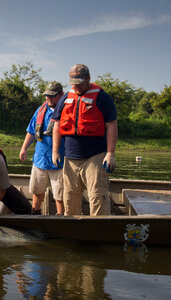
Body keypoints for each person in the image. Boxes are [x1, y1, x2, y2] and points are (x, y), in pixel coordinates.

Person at [52, 64, 118, 216]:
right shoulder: (66, 98)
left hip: (95, 157)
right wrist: (55, 151)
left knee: (97, 196)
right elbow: (56, 125)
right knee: (69, 198)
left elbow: (112, 125)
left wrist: (110, 153)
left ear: (88, 78)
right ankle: (72, 231)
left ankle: (99, 231)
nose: (77, 87)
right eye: (73, 83)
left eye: (80, 83)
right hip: (70, 159)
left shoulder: (102, 97)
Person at [19, 81, 65, 215]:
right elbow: (32, 131)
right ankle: (35, 214)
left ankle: (61, 218)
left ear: (61, 95)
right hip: (40, 160)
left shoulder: (66, 111)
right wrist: (24, 148)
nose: (48, 99)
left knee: (60, 196)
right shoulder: (40, 110)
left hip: (59, 163)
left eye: (52, 96)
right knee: (37, 192)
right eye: (46, 96)